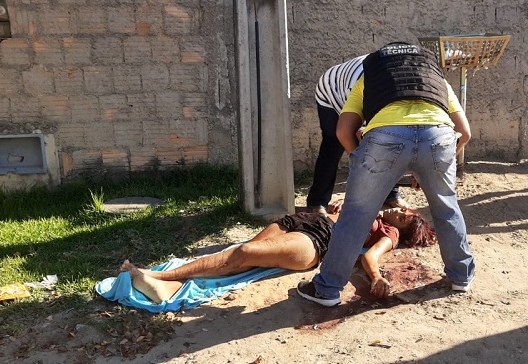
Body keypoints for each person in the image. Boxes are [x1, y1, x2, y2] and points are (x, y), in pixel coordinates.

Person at [296, 42, 475, 307]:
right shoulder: (438, 82)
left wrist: (363, 163)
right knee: (447, 208)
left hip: (385, 137)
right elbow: (465, 133)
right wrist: (429, 167)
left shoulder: (369, 78)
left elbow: (343, 132)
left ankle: (327, 290)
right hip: (439, 138)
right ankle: (461, 276)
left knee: (357, 213)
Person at [120, 206, 436, 303]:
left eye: (405, 218)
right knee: (238, 256)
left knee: (245, 251)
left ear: (402, 230)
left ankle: (161, 276)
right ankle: (169, 285)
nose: (402, 212)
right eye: (406, 211)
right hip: (302, 220)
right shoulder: (373, 205)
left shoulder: (389, 233)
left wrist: (377, 277)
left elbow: (371, 256)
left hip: (318, 239)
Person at [307, 56, 406, 214]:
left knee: (390, 143)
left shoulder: (404, 88)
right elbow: (352, 136)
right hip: (332, 92)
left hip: (367, 90)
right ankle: (317, 202)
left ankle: (391, 193)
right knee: (333, 144)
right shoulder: (362, 88)